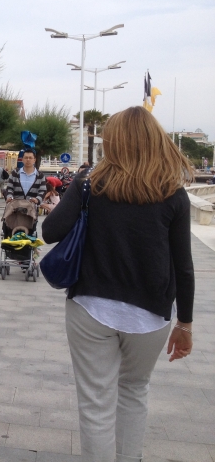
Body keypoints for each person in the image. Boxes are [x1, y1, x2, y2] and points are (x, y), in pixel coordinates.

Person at [42, 107, 195, 462]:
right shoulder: (173, 194)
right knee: (134, 390)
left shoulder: (91, 186)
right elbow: (184, 268)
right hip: (151, 317)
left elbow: (50, 233)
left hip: (90, 309)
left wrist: (81, 183)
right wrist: (184, 325)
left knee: (95, 402)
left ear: (112, 144)